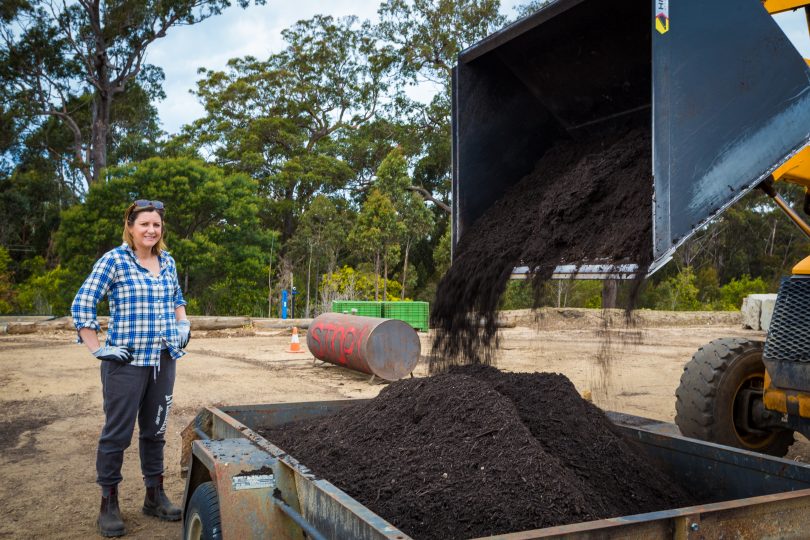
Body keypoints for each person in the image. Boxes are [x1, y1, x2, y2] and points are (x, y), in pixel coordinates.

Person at [71, 199, 191, 537]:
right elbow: (83, 302)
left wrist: (183, 325)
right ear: (131, 226)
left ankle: (154, 495)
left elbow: (177, 298)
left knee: (155, 431)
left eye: (156, 225)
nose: (151, 230)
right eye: (144, 225)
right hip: (125, 364)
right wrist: (98, 349)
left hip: (163, 361)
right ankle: (108, 503)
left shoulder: (167, 262)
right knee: (117, 434)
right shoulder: (115, 261)